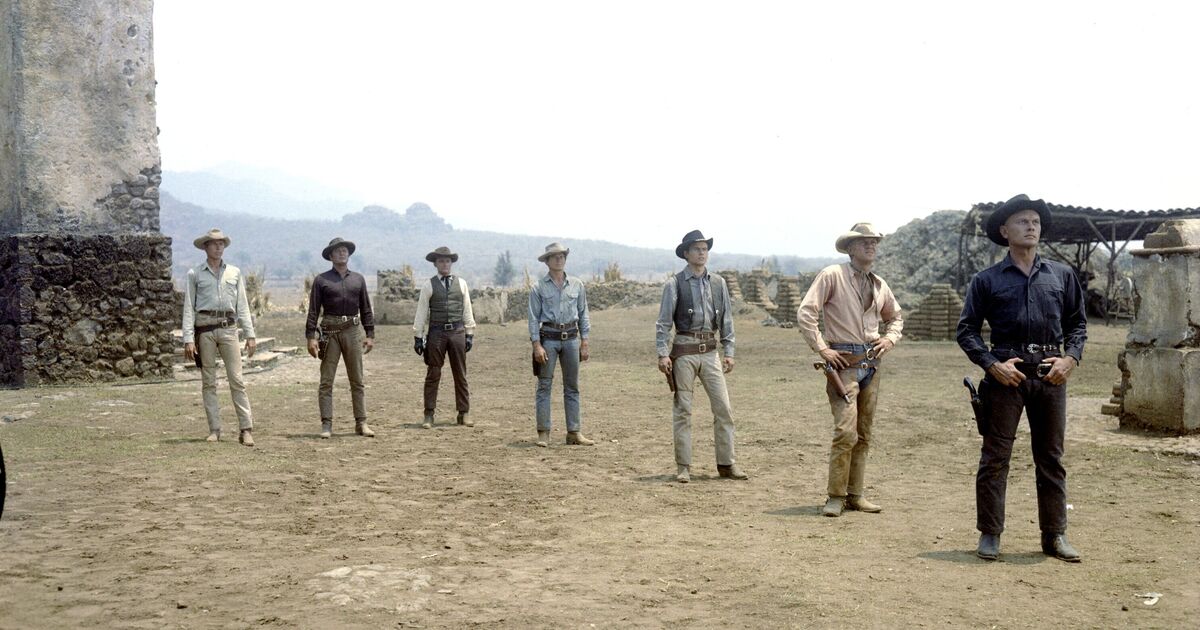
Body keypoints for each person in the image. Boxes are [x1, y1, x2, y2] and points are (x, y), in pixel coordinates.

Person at [957, 194, 1087, 562]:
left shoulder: (1062, 275)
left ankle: (1055, 535)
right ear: (1004, 231)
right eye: (1022, 221)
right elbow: (966, 330)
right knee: (995, 457)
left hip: (1050, 378)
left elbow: (1077, 324)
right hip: (1006, 378)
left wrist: (1070, 359)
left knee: (1051, 458)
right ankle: (990, 533)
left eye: (1035, 222)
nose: (1031, 227)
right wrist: (991, 365)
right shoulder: (986, 280)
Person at [797, 223, 903, 517]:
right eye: (864, 241)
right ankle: (835, 496)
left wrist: (889, 339)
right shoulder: (832, 275)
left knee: (864, 433)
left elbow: (895, 317)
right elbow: (806, 313)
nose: (871, 246)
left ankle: (855, 495)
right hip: (843, 366)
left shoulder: (879, 284)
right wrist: (822, 348)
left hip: (872, 365)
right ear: (850, 248)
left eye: (874, 242)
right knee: (845, 431)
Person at [655, 230, 747, 483]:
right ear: (686, 254)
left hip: (710, 351)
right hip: (684, 350)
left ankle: (727, 464)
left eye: (705, 248)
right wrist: (663, 354)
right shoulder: (674, 284)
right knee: (683, 410)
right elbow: (663, 323)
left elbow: (727, 320)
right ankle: (683, 466)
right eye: (696, 249)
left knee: (723, 409)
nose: (702, 253)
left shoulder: (718, 283)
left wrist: (729, 352)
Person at [181, 228, 257, 446]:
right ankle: (214, 429)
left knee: (237, 379)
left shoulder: (234, 272)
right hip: (204, 330)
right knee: (209, 382)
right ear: (205, 247)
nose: (218, 247)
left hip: (229, 329)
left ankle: (246, 429)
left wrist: (250, 334)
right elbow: (189, 307)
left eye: (221, 243)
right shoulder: (195, 274)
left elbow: (242, 305)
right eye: (214, 243)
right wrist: (188, 339)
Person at [306, 237, 376, 439]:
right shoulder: (322, 280)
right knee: (326, 381)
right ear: (330, 256)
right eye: (337, 250)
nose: (342, 253)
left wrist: (370, 334)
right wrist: (311, 336)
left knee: (357, 379)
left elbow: (366, 308)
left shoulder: (358, 279)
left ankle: (361, 423)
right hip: (330, 332)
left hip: (353, 330)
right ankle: (326, 424)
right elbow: (313, 310)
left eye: (345, 250)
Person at [528, 242, 594, 447]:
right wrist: (536, 345)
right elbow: (533, 318)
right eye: (554, 256)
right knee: (544, 385)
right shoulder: (538, 287)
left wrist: (585, 341)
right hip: (548, 339)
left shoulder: (577, 285)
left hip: (572, 339)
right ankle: (543, 432)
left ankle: (574, 432)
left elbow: (583, 313)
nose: (559, 259)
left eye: (562, 256)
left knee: (572, 387)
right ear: (547, 261)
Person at [413, 246, 476, 429]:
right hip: (437, 333)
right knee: (433, 373)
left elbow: (467, 309)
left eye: (447, 261)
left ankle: (463, 413)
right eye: (441, 261)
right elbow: (422, 311)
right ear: (435, 264)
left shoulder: (461, 284)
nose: (445, 264)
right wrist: (418, 336)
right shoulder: (429, 285)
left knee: (460, 373)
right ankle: (429, 414)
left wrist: (469, 333)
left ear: (451, 263)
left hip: (457, 331)